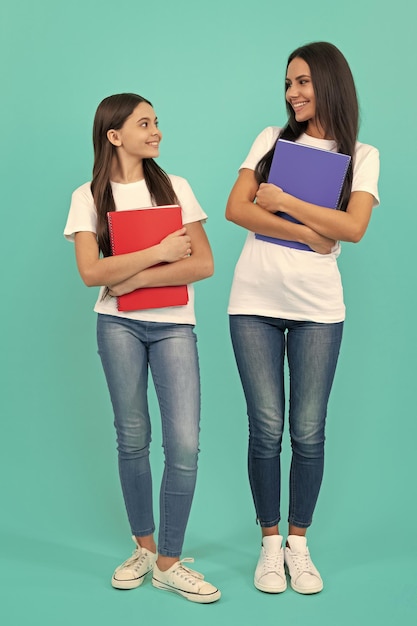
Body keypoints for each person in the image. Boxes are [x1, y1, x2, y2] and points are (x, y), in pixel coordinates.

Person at [225, 42, 380, 595]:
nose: (292, 93)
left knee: (308, 431)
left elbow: (355, 228)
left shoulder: (362, 155)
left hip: (318, 309)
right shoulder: (270, 140)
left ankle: (299, 545)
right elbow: (237, 208)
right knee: (265, 428)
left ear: (330, 83)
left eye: (303, 82)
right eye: (288, 82)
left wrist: (284, 202)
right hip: (253, 303)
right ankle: (269, 546)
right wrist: (314, 233)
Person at [64, 93, 220, 604]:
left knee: (184, 445)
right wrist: (155, 253)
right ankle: (146, 549)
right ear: (115, 135)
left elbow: (202, 265)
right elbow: (92, 274)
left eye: (157, 122)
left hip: (174, 326)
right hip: (118, 328)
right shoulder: (87, 196)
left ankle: (171, 562)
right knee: (132, 438)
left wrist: (128, 278)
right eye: (145, 123)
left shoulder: (176, 188)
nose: (156, 131)